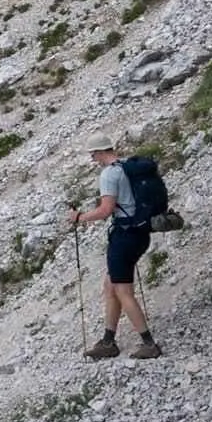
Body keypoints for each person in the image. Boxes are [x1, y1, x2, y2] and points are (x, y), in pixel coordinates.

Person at [66, 137, 162, 359]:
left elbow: (105, 210)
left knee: (122, 290)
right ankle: (108, 341)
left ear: (100, 152)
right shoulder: (127, 166)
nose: (93, 159)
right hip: (139, 233)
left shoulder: (109, 173)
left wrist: (79, 217)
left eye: (93, 154)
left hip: (124, 236)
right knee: (110, 284)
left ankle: (149, 344)